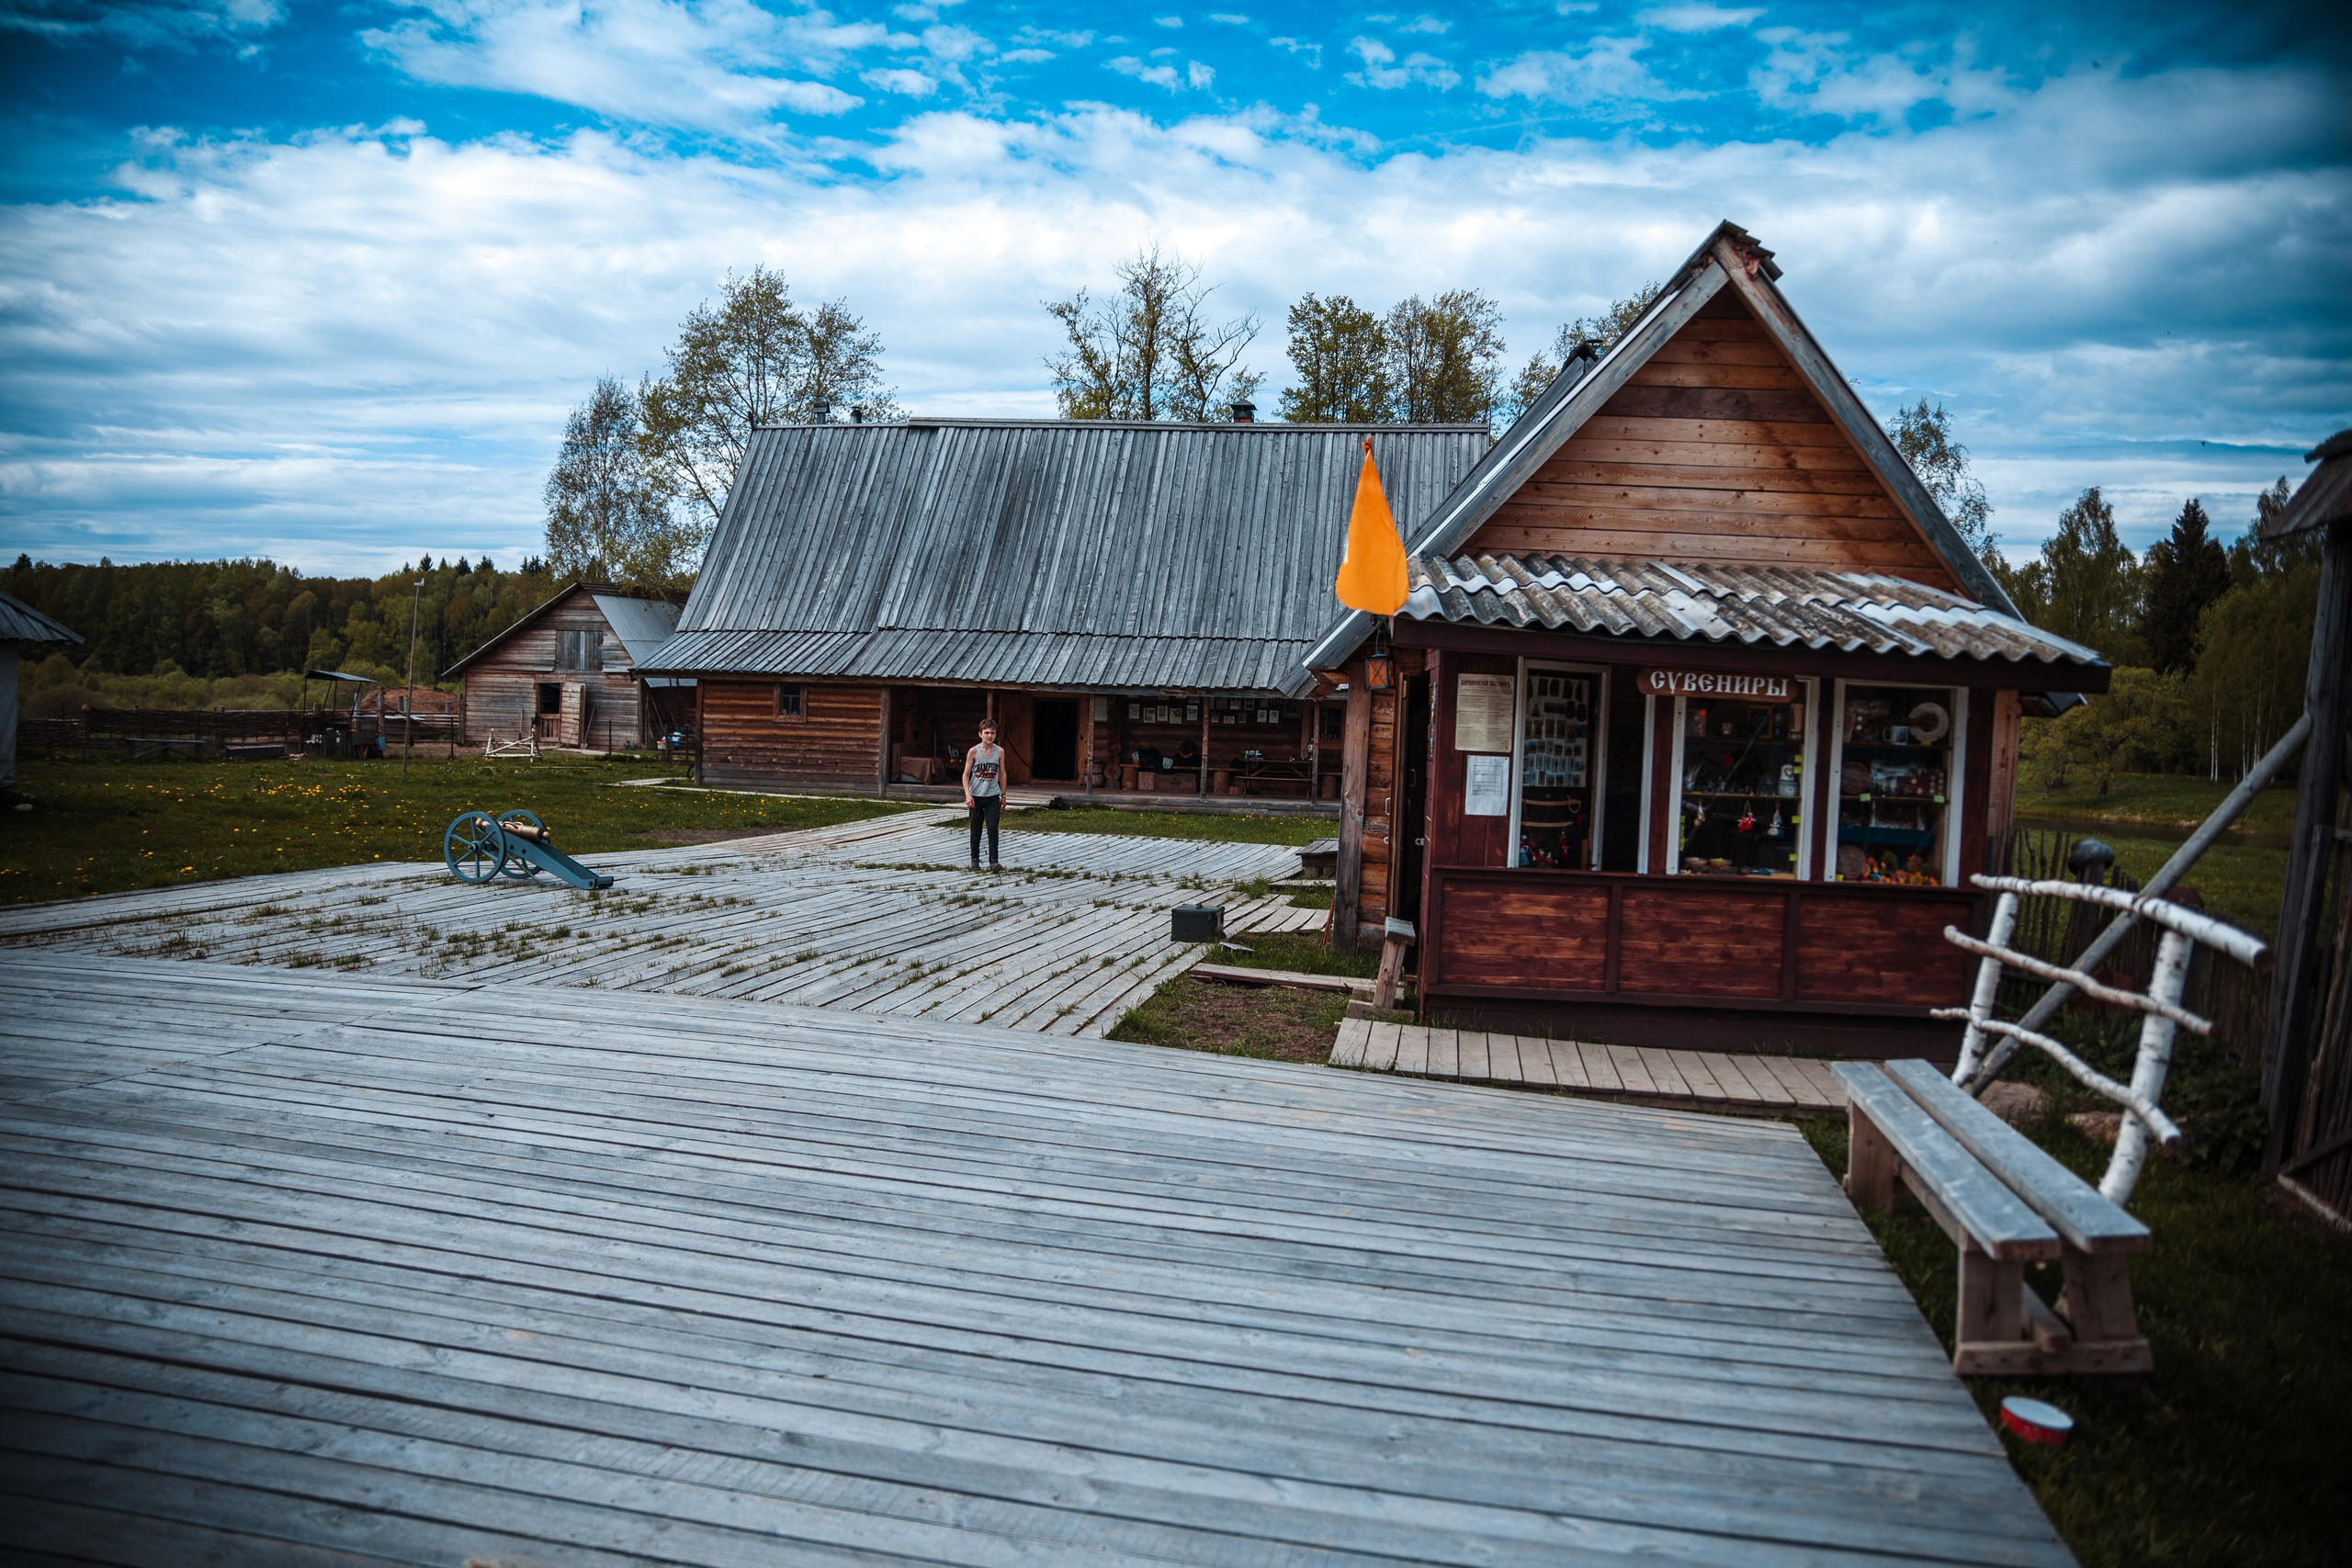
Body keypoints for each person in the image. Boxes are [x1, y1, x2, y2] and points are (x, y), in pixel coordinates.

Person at [962, 719, 1005, 870]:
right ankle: (975, 859)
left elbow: (1002, 773)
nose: (990, 736)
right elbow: (966, 774)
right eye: (986, 733)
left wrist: (1003, 795)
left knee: (993, 827)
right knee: (976, 828)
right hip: (976, 795)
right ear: (980, 734)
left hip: (992, 795)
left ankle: (994, 861)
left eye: (993, 733)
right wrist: (968, 795)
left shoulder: (999, 752)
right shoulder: (974, 752)